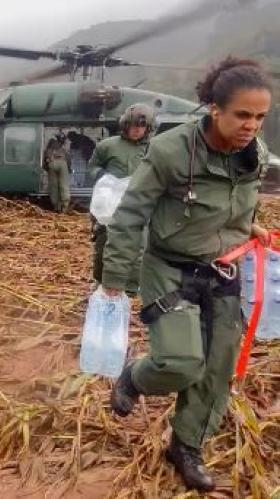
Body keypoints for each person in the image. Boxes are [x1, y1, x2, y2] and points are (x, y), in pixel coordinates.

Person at [102, 57, 272, 492]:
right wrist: (114, 279)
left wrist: (247, 226)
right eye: (242, 115)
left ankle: (185, 446)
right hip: (169, 268)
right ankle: (134, 376)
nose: (251, 125)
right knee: (181, 363)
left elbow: (240, 200)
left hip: (223, 269)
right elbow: (130, 215)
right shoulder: (170, 151)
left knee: (216, 371)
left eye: (260, 116)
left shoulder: (256, 154)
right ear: (215, 109)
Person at [88, 104, 155, 295]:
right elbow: (92, 167)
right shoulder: (107, 146)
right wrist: (103, 177)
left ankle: (132, 289)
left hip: (139, 205)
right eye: (133, 126)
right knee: (105, 245)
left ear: (148, 129)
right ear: (125, 125)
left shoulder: (154, 149)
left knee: (139, 248)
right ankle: (101, 282)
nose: (137, 130)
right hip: (110, 205)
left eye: (141, 127)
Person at [43, 129, 71, 212]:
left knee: (54, 186)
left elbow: (45, 159)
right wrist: (69, 168)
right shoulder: (63, 148)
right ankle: (65, 206)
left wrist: (47, 168)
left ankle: (56, 206)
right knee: (64, 185)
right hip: (62, 164)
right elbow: (68, 159)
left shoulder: (50, 146)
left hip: (52, 164)